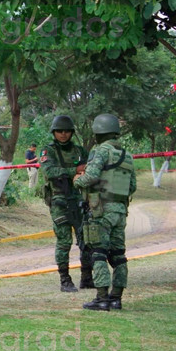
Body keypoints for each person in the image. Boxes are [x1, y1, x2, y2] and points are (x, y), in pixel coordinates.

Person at [74, 114, 136, 311]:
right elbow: (132, 186)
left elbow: (90, 177)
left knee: (98, 253)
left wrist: (77, 180)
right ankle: (116, 298)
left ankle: (101, 298)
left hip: (101, 211)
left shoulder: (100, 151)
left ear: (98, 132)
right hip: (120, 210)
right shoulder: (127, 155)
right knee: (119, 254)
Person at [40, 115, 91, 293]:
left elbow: (89, 169)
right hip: (59, 201)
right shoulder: (48, 151)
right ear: (54, 132)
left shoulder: (79, 151)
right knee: (64, 241)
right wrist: (74, 171)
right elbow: (50, 171)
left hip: (79, 200)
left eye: (67, 131)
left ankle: (87, 277)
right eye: (59, 131)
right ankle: (65, 280)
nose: (63, 134)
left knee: (86, 239)